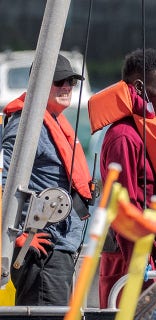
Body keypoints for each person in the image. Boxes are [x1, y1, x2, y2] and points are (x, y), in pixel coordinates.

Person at [91, 48, 156, 308]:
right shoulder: (124, 136)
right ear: (139, 87)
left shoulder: (148, 131)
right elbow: (122, 204)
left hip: (146, 250)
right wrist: (138, 261)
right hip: (127, 256)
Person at [2, 54, 93, 305]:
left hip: (58, 249)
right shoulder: (26, 125)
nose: (66, 87)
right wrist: (16, 235)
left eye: (71, 82)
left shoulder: (51, 122)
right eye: (59, 81)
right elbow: (3, 181)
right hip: (41, 251)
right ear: (39, 84)